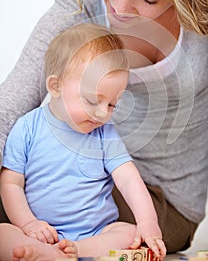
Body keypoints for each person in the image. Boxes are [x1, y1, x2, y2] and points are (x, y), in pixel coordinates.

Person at [0, 0, 208, 254]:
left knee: (121, 232)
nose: (122, 8)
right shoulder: (79, 7)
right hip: (68, 181)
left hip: (158, 201)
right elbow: (9, 109)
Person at [0, 23, 166, 261]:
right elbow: (11, 183)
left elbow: (129, 180)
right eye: (92, 100)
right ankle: (48, 251)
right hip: (42, 233)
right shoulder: (27, 127)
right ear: (55, 86)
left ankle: (74, 252)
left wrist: (148, 223)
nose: (102, 114)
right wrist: (29, 224)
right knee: (4, 233)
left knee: (127, 233)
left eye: (112, 104)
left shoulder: (105, 134)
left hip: (96, 234)